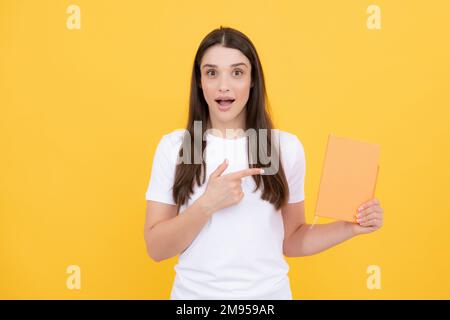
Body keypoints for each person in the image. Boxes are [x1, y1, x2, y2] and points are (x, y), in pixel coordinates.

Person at [144, 26, 384, 299]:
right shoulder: (176, 147)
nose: (224, 85)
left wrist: (351, 227)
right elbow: (156, 249)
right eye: (212, 72)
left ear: (252, 79)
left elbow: (292, 239)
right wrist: (206, 204)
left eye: (237, 72)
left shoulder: (284, 148)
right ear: (199, 81)